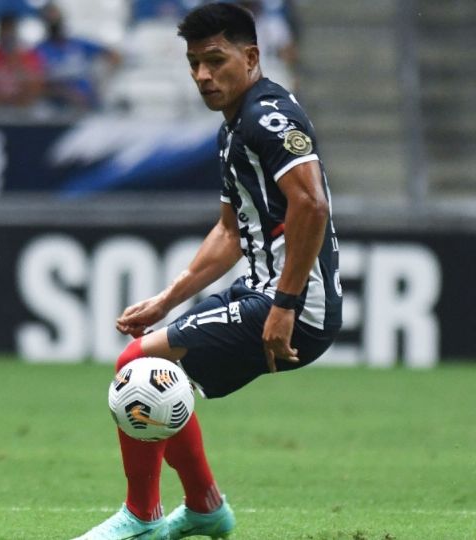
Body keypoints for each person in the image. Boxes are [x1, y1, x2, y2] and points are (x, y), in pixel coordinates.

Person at [74, 3, 341, 539]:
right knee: (159, 375)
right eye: (194, 63)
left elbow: (311, 206)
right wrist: (166, 299)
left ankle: (146, 516)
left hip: (294, 305)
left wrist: (285, 305)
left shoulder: (268, 117)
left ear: (252, 57)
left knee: (138, 365)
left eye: (215, 61)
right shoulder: (235, 127)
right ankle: (202, 509)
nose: (202, 75)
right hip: (263, 290)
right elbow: (229, 233)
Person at [34, 2, 122, 113]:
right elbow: (38, 84)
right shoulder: (39, 50)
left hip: (89, 103)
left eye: (55, 15)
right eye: (49, 17)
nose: (53, 20)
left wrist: (102, 85)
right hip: (58, 109)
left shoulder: (79, 44)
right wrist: (67, 94)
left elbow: (115, 56)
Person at [0, 15, 45, 109]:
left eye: (11, 33)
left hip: (23, 107)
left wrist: (16, 62)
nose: (7, 37)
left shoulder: (29, 57)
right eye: (4, 32)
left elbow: (37, 87)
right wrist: (0, 101)